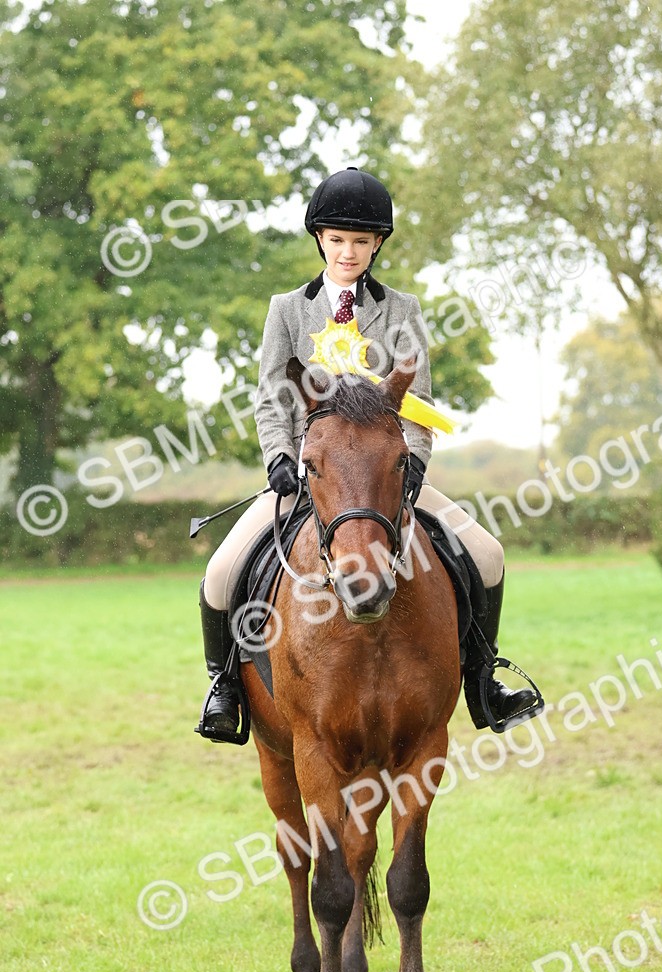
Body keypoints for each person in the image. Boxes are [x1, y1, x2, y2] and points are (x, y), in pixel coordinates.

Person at [197, 167, 539, 742]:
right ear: (320, 241)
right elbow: (270, 400)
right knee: (221, 571)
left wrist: (415, 467)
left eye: (359, 241)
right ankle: (224, 687)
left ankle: (484, 680)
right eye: (336, 240)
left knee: (487, 552)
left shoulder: (401, 310)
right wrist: (280, 457)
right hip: (309, 477)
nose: (347, 251)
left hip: (384, 476)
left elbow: (419, 400)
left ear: (377, 243)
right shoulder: (287, 310)